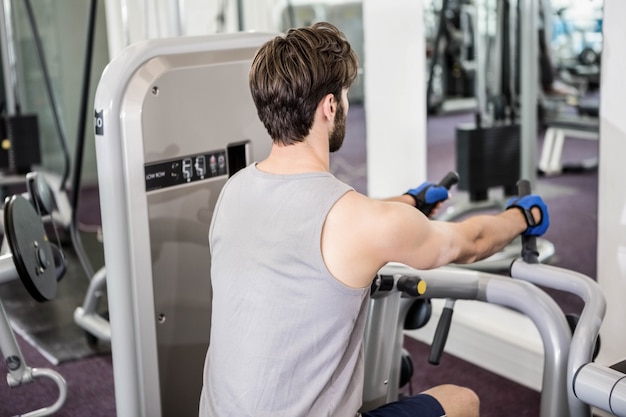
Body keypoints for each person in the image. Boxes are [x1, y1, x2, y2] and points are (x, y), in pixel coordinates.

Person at [199, 22, 549, 417]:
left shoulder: (235, 190)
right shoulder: (361, 222)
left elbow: (303, 219)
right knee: (462, 400)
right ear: (330, 106)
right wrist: (524, 215)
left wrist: (406, 202)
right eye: (345, 96)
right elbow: (471, 242)